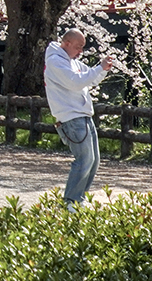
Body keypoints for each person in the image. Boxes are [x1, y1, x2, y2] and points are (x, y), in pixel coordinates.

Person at [45, 28, 114, 209]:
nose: (80, 51)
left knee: (93, 160)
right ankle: (71, 200)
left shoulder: (71, 61)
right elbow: (75, 82)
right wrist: (99, 68)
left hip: (82, 115)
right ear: (66, 43)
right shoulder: (55, 62)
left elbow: (89, 78)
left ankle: (78, 199)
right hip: (71, 117)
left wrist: (103, 69)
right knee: (83, 159)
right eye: (78, 47)